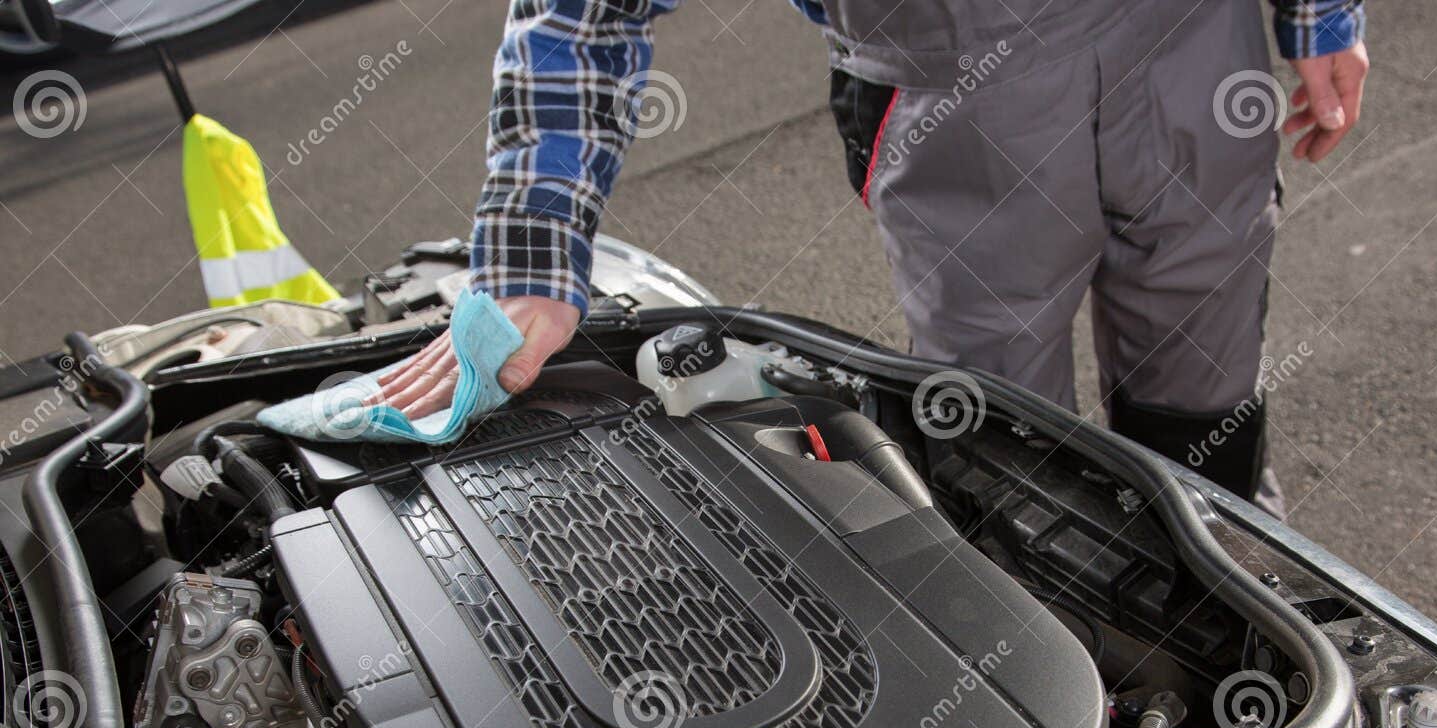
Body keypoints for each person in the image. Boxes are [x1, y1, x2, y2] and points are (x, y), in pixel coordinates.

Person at [371, 0, 1367, 515]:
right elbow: (584, 13)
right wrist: (535, 256)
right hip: (958, 108)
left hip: (1197, 47)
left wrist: (1322, 15)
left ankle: (1240, 624)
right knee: (1010, 455)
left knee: (1204, 398)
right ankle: (1078, 691)